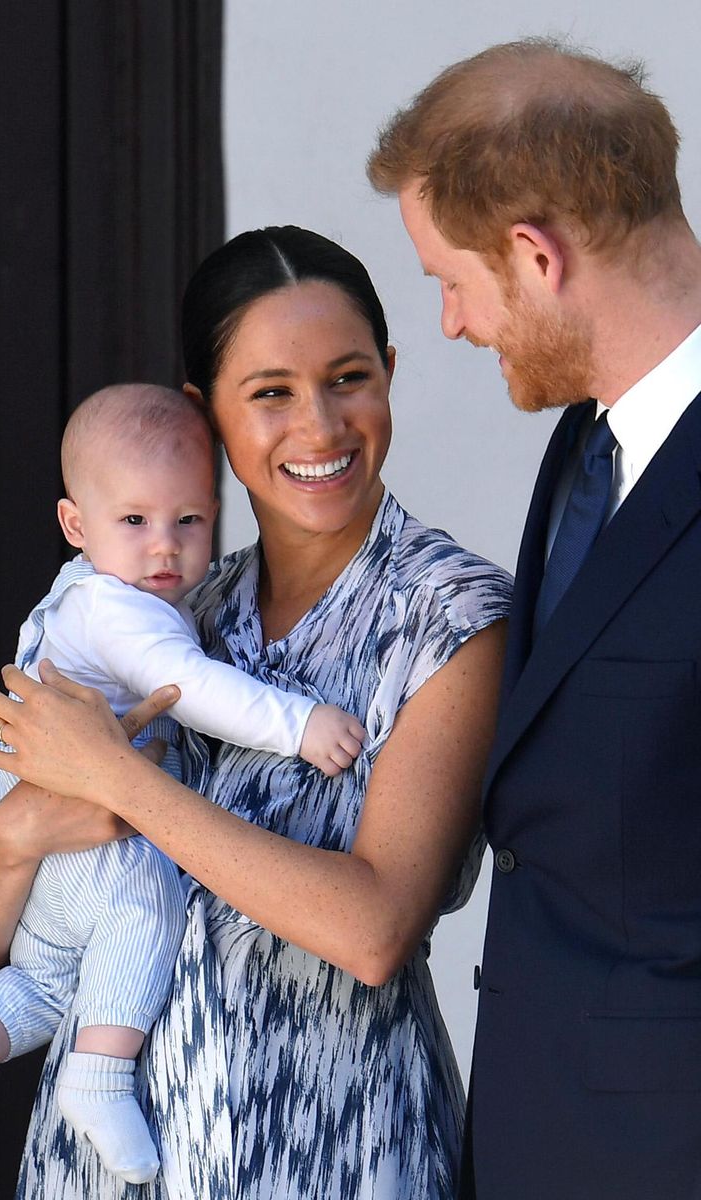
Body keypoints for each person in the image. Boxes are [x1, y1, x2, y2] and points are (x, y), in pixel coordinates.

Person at [0, 226, 510, 1199]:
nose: (319, 425)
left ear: (389, 375)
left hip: (328, 1150)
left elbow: (374, 928)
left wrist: (117, 779)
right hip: (103, 1170)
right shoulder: (157, 614)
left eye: (349, 377)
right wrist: (15, 834)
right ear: (205, 414)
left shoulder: (450, 618)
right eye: (270, 392)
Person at [366, 35, 701, 1200]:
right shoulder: (583, 447)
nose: (453, 325)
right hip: (537, 1143)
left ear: (534, 254)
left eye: (449, 283)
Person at [0, 381, 364, 1186]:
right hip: (75, 822)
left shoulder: (91, 592)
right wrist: (301, 725)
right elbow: (191, 686)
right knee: (150, 893)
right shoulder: (122, 612)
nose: (166, 547)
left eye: (188, 521)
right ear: (76, 526)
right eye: (135, 522)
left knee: (50, 977)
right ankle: (100, 1076)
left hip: (38, 822)